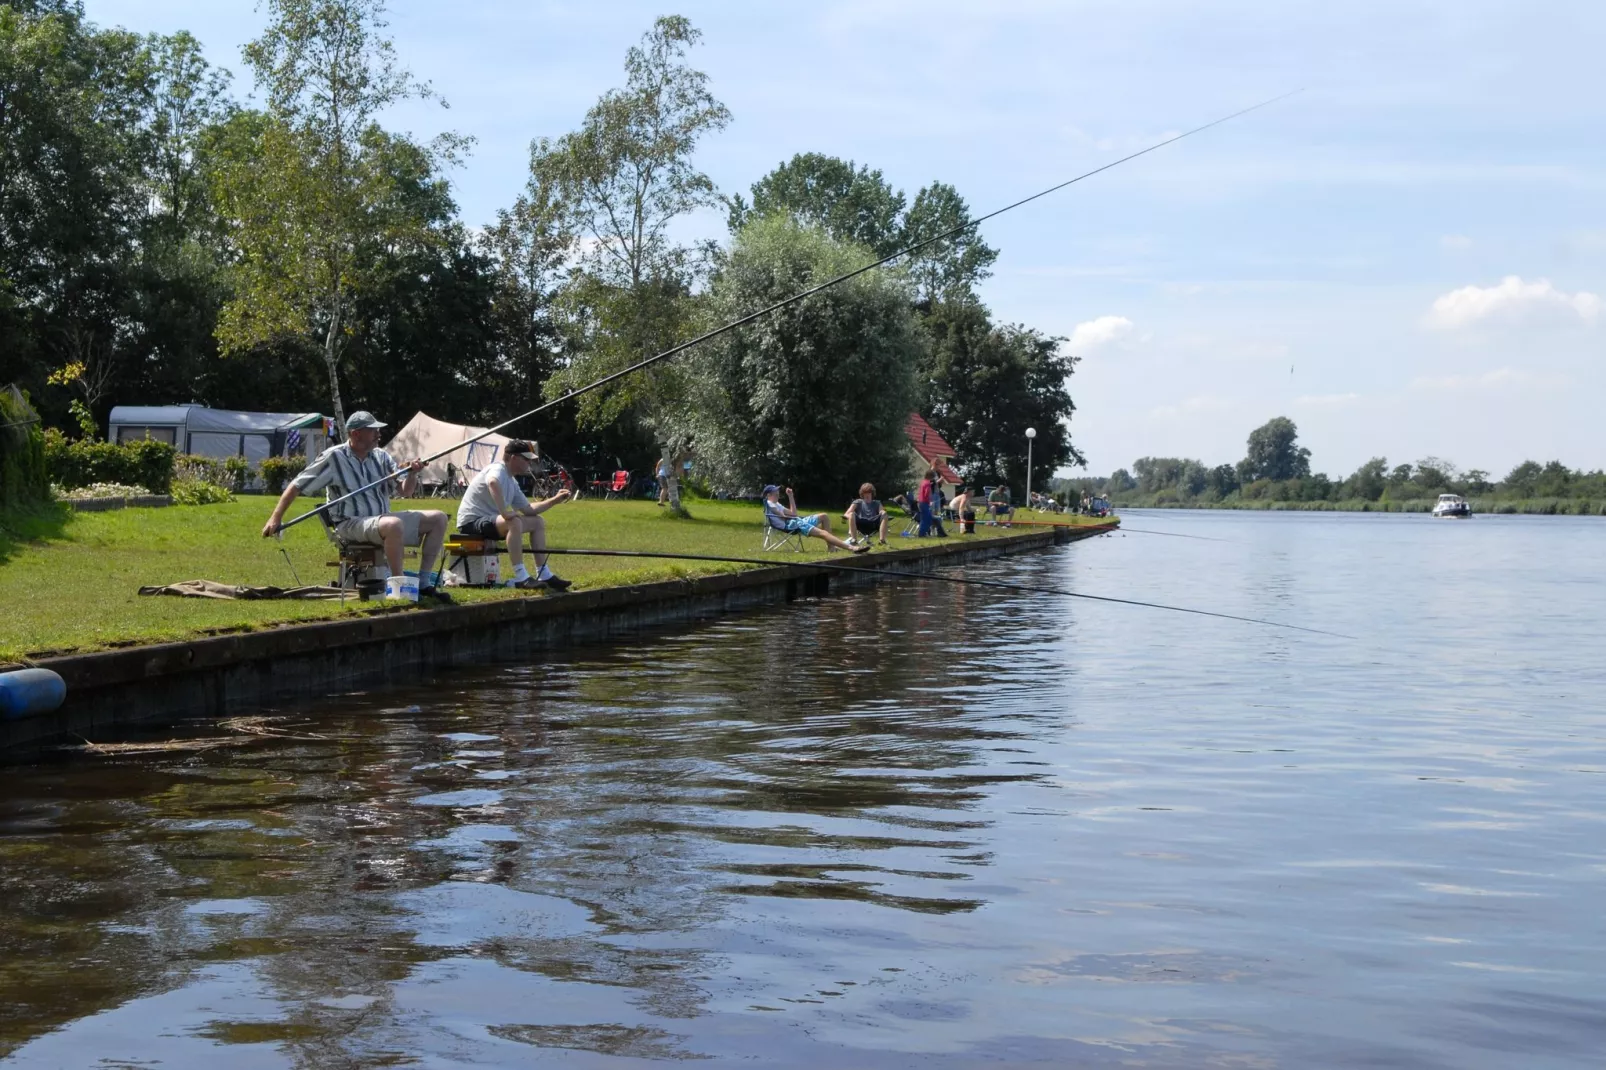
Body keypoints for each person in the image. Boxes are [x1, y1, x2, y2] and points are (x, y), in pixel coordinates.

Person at [262, 410, 452, 602]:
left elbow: (405, 492)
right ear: (356, 433)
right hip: (350, 524)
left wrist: (412, 474)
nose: (378, 435)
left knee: (438, 518)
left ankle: (424, 583)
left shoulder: (381, 457)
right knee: (393, 525)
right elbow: (297, 484)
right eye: (373, 431)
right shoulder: (334, 457)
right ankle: (400, 588)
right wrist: (275, 517)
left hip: (381, 520)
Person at [457, 440, 573, 590]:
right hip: (471, 522)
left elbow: (528, 509)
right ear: (513, 458)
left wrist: (555, 500)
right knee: (514, 521)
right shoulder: (497, 469)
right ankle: (521, 577)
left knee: (538, 522)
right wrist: (505, 512)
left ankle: (544, 573)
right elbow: (492, 483)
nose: (529, 463)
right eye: (526, 459)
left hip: (491, 521)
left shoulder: (511, 481)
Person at [764, 485, 867, 553]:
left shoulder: (776, 503)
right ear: (769, 495)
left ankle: (831, 548)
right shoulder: (769, 503)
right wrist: (792, 517)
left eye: (777, 491)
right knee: (823, 533)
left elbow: (794, 513)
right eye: (775, 492)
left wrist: (791, 496)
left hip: (795, 521)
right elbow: (783, 517)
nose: (778, 493)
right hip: (791, 525)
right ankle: (852, 548)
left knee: (824, 516)